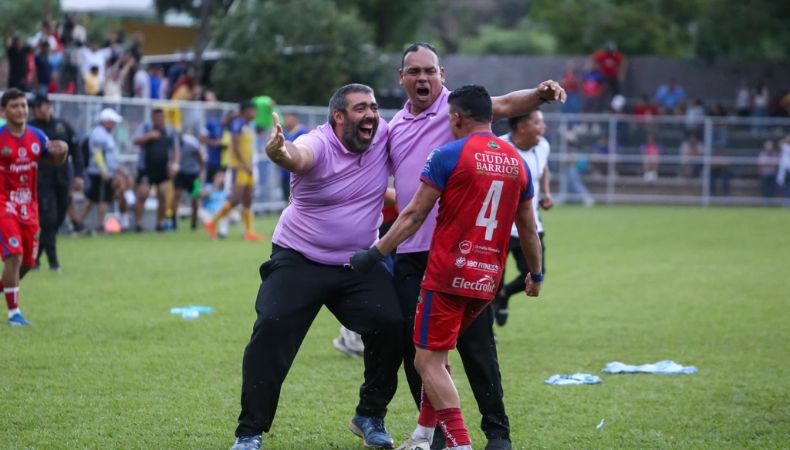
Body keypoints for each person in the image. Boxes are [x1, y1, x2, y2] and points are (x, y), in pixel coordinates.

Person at [386, 42, 563, 450]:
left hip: (459, 252)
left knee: (477, 348)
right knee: (421, 350)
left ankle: (496, 434)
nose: (422, 78)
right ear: (402, 78)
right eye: (414, 71)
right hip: (413, 252)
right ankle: (436, 436)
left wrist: (540, 94)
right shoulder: (394, 126)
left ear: (442, 75)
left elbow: (505, 102)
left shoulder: (458, 110)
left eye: (429, 70)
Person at [350, 85, 543, 450]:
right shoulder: (517, 162)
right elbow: (529, 228)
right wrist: (536, 273)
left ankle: (459, 444)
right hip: (487, 280)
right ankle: (432, 434)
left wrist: (374, 253)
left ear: (455, 118)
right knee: (444, 354)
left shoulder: (447, 155)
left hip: (446, 275)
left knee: (426, 361)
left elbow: (413, 215)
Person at [229, 84, 404, 450]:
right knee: (271, 328)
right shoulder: (319, 142)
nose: (371, 114)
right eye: (360, 108)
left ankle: (369, 416)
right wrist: (279, 150)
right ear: (339, 116)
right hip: (300, 258)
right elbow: (299, 156)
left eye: (373, 107)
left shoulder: (384, 133)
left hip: (357, 261)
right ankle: (249, 433)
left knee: (392, 324)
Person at [0, 88, 68, 325]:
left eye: (23, 105)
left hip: (29, 208)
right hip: (3, 205)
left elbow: (55, 160)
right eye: (14, 106)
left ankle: (6, 290)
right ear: (4, 111)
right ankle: (14, 314)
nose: (20, 110)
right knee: (14, 255)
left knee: (28, 262)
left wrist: (64, 151)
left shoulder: (38, 136)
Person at [492, 110, 552, 327]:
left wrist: (545, 193)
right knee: (491, 279)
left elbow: (543, 168)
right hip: (498, 227)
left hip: (530, 224)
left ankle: (504, 296)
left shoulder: (543, 146)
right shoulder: (498, 146)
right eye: (537, 122)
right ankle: (489, 327)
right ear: (522, 127)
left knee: (538, 272)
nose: (542, 127)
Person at [29, 94, 83, 272]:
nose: (37, 110)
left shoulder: (62, 126)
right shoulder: (31, 129)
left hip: (62, 180)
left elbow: (76, 150)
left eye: (40, 106)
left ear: (49, 106)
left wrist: (79, 175)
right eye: (34, 107)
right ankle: (54, 262)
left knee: (57, 221)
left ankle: (35, 258)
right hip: (42, 181)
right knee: (48, 220)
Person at [204, 101, 263, 241]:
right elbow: (236, 147)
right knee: (235, 199)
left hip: (248, 167)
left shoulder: (249, 125)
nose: (254, 113)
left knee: (248, 200)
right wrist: (244, 165)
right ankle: (212, 222)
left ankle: (249, 232)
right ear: (244, 111)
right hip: (240, 167)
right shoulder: (238, 124)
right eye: (252, 110)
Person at [132, 108, 180, 231]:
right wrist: (148, 136)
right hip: (146, 168)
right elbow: (135, 140)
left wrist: (174, 165)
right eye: (156, 117)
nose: (159, 120)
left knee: (163, 195)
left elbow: (176, 150)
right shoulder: (146, 128)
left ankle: (159, 224)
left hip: (163, 169)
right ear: (152, 118)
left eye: (161, 117)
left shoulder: (169, 131)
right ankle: (138, 224)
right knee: (143, 194)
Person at [77, 108, 123, 232]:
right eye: (112, 121)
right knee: (102, 198)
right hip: (100, 173)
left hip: (105, 172)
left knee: (94, 199)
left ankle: (82, 222)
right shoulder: (99, 133)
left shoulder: (105, 134)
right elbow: (97, 153)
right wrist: (104, 170)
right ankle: (96, 224)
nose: (114, 124)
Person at [172, 129, 205, 230]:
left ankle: (194, 222)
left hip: (193, 174)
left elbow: (201, 159)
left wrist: (200, 174)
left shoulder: (191, 144)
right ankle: (173, 221)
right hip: (180, 173)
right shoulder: (173, 145)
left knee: (195, 197)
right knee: (176, 196)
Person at [280, 113, 308, 202]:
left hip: (298, 173)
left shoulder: (303, 132)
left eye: (288, 118)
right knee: (287, 199)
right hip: (285, 172)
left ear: (295, 119)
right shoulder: (284, 133)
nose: (285, 121)